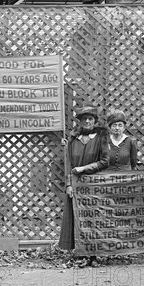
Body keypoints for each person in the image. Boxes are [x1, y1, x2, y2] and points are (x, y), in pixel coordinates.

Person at [59, 106, 109, 266]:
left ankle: (94, 256)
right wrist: (68, 184)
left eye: (90, 119)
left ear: (95, 121)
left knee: (93, 220)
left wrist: (84, 169)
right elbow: (69, 163)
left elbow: (105, 161)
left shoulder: (101, 137)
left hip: (94, 184)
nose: (87, 121)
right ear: (79, 121)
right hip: (76, 186)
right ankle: (80, 254)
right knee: (77, 219)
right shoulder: (73, 139)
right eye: (84, 119)